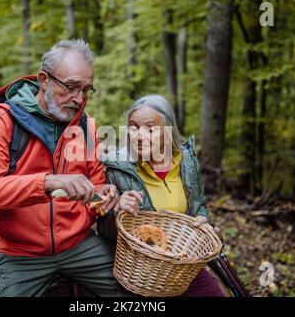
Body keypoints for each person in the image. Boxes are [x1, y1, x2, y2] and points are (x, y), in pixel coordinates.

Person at [0, 39, 127, 297]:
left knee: (133, 295)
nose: (79, 98)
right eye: (71, 87)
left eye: (86, 90)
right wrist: (47, 183)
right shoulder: (4, 122)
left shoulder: (87, 127)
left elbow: (95, 186)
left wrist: (104, 195)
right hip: (20, 252)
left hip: (79, 244)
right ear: (44, 79)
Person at [97, 94, 226, 297]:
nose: (139, 135)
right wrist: (118, 210)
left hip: (182, 266)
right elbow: (105, 230)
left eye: (150, 129)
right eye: (133, 127)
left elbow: (198, 203)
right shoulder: (117, 168)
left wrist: (203, 220)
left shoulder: (187, 161)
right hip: (142, 273)